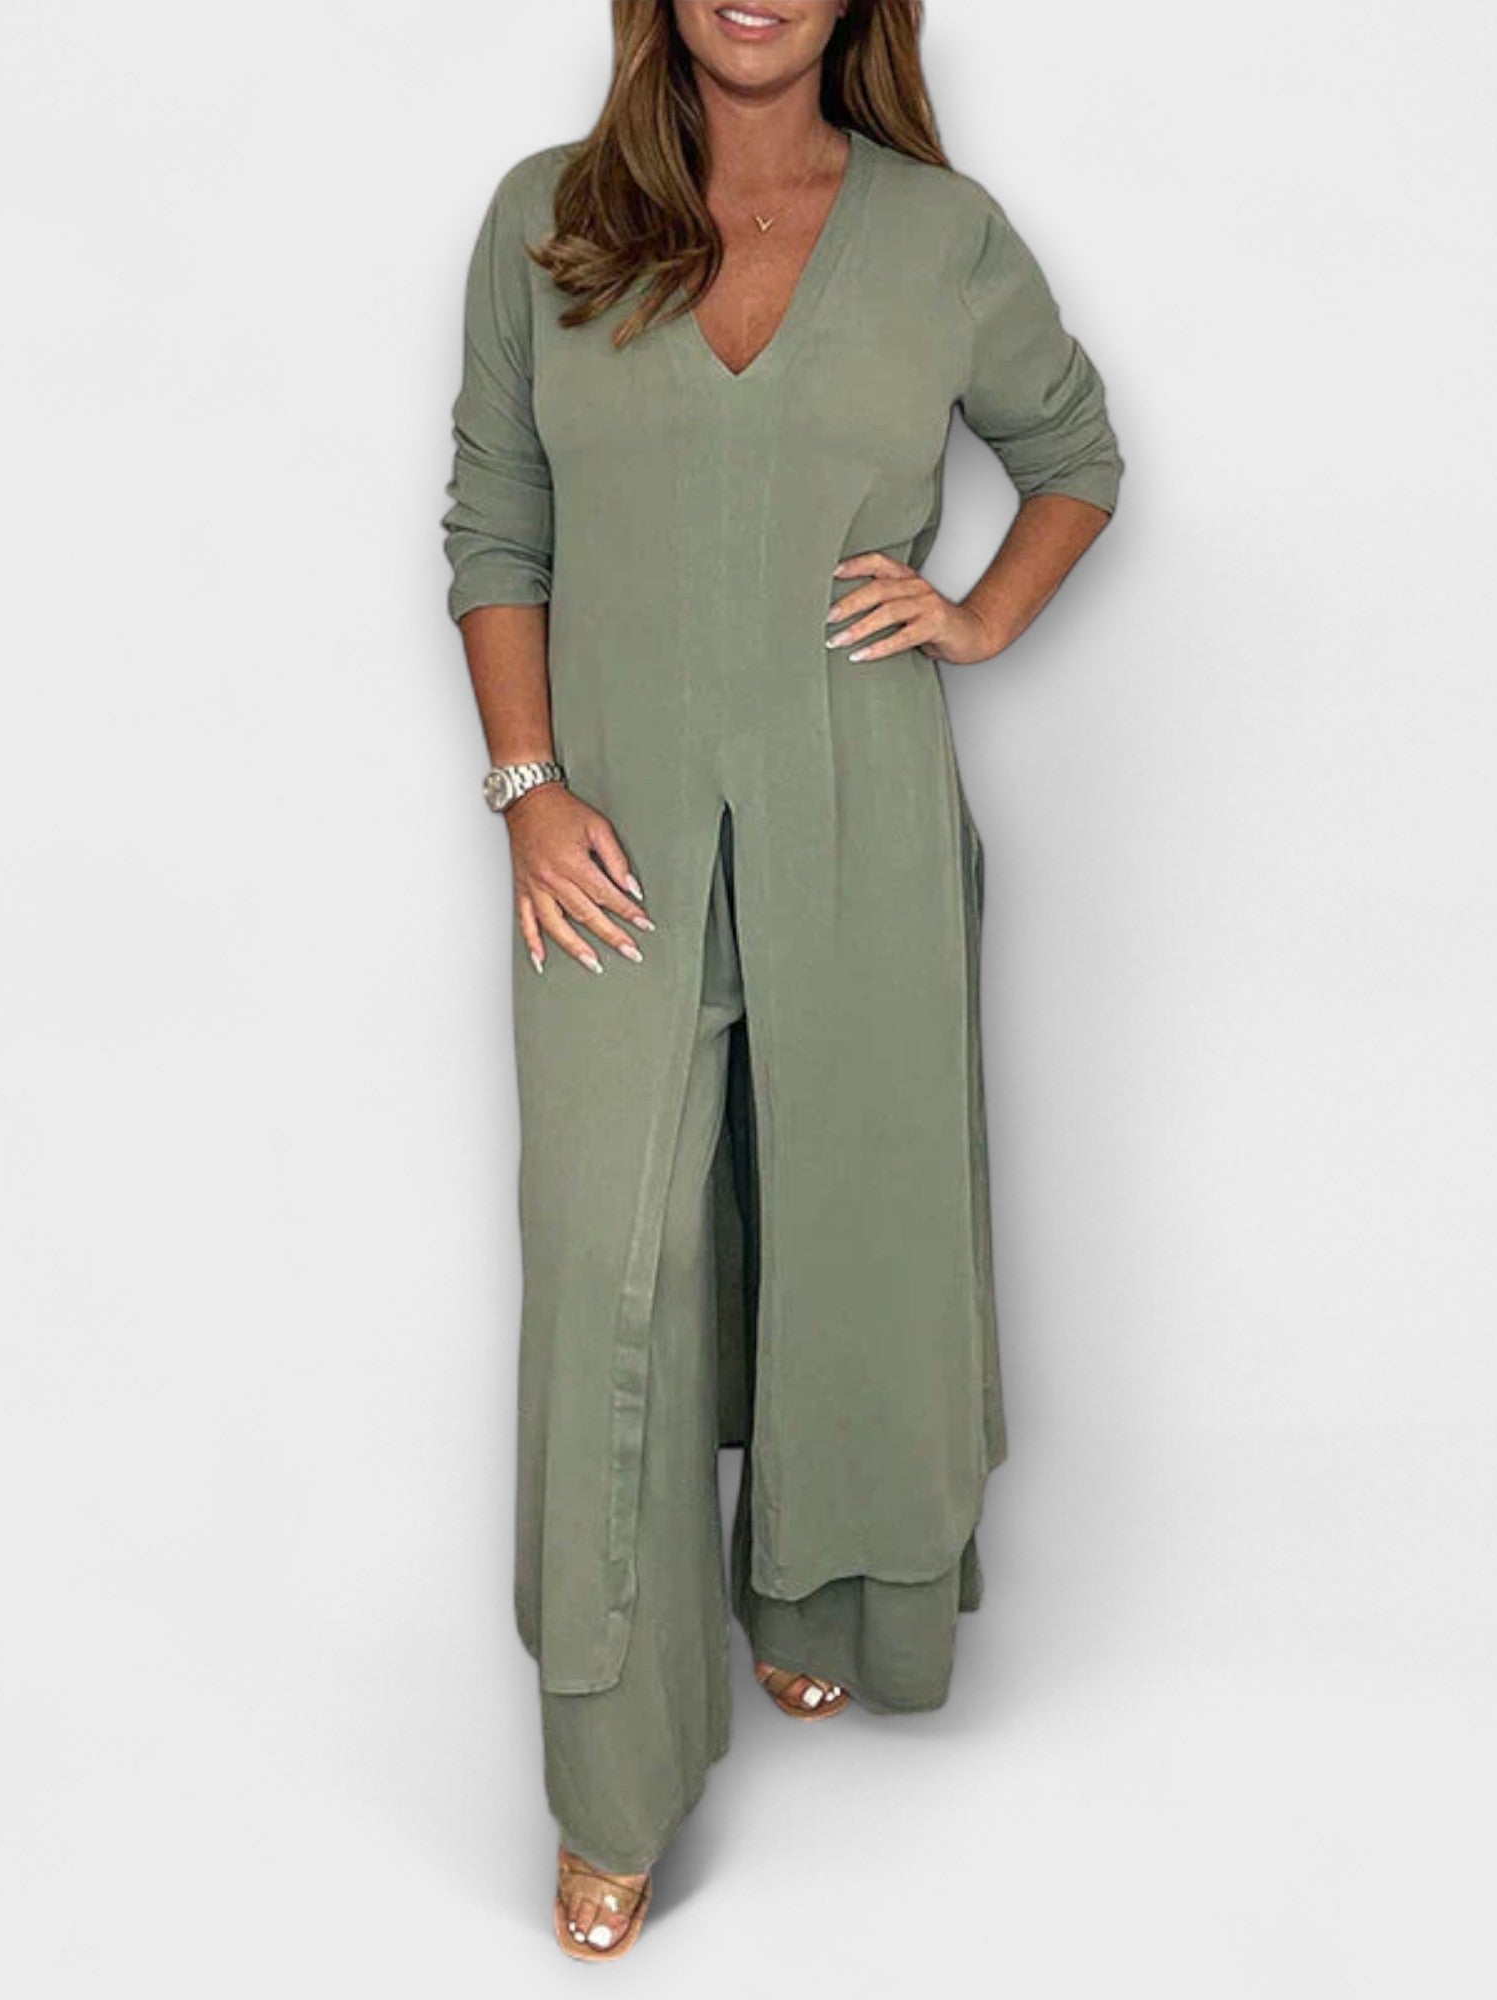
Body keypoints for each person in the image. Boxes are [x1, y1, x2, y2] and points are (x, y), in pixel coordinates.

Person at [441, 0, 1122, 1960]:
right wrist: (527, 790)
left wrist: (975, 616)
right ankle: (612, 1777)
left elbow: (1074, 454)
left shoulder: (940, 236)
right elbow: (496, 519)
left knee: (854, 1218)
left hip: (862, 818)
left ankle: (821, 1596)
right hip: (616, 842)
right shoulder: (547, 220)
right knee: (608, 1262)